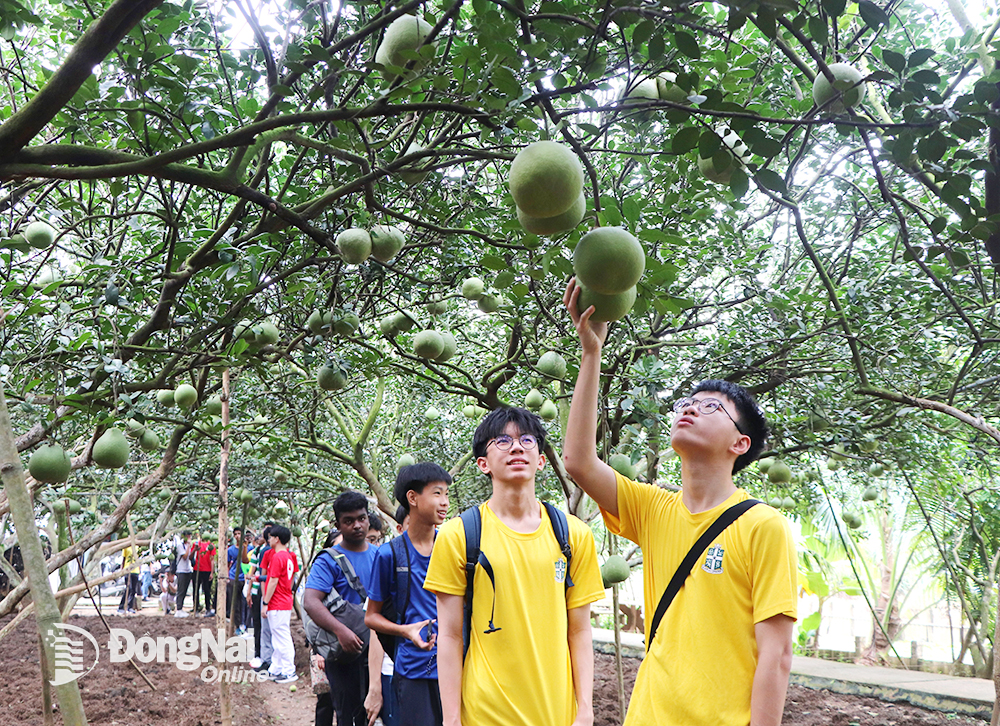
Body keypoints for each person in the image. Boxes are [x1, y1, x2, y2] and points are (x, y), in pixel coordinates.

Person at [561, 278, 798, 726]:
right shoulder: (655, 509)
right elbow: (578, 460)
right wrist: (591, 354)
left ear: (740, 443)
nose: (689, 408)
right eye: (688, 402)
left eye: (711, 407)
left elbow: (777, 654)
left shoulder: (762, 526)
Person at [424, 407, 605, 726]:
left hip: (556, 714)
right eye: (503, 441)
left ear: (541, 460)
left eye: (527, 440)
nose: (517, 446)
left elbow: (579, 630)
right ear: (483, 464)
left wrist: (585, 709)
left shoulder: (574, 536)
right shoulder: (459, 536)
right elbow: (450, 636)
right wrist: (451, 718)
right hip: (485, 713)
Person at [367, 463, 451, 726]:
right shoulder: (389, 554)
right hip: (413, 671)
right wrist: (406, 631)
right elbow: (371, 617)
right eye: (437, 493)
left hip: (455, 667)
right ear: (412, 498)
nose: (445, 502)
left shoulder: (453, 547)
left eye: (447, 494)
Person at [303, 490, 383, 726]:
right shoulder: (328, 560)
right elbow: (311, 602)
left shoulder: (381, 556)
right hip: (344, 653)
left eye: (361, 518)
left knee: (376, 713)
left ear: (368, 519)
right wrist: (341, 631)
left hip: (377, 651)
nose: (357, 525)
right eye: (349, 521)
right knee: (347, 713)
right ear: (338, 524)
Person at [262, 524, 299, 683]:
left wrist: (265, 601)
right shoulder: (288, 556)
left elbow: (273, 581)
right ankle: (276, 668)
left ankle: (289, 671)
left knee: (282, 637)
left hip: (278, 602)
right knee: (278, 636)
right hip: (284, 600)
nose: (269, 540)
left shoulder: (278, 557)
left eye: (270, 537)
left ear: (277, 539)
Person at [227, 528, 249, 633]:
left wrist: (244, 547)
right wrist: (227, 576)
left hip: (245, 578)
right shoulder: (230, 550)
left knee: (244, 602)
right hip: (233, 577)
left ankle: (244, 623)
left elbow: (247, 561)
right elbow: (227, 565)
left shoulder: (249, 548)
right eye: (235, 534)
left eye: (239, 533)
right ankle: (237, 625)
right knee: (234, 602)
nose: (237, 536)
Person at [191, 533, 216, 616]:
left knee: (207, 590)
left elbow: (212, 559)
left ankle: (208, 608)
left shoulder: (211, 546)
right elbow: (191, 557)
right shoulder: (196, 544)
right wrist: (195, 549)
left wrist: (212, 573)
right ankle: (196, 608)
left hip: (207, 570)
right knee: (196, 590)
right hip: (197, 569)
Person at [174, 531, 194, 617]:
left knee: (185, 590)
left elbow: (190, 558)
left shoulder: (189, 546)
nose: (189, 537)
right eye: (187, 536)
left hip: (188, 570)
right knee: (180, 590)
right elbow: (185, 556)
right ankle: (178, 609)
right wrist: (189, 545)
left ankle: (181, 608)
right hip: (181, 570)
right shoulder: (180, 546)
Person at [116, 545, 140, 615]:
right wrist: (122, 570)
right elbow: (123, 559)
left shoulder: (138, 547)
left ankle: (130, 607)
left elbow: (139, 559)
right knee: (128, 588)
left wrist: (139, 570)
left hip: (135, 571)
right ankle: (121, 606)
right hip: (128, 570)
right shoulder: (126, 547)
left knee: (133, 590)